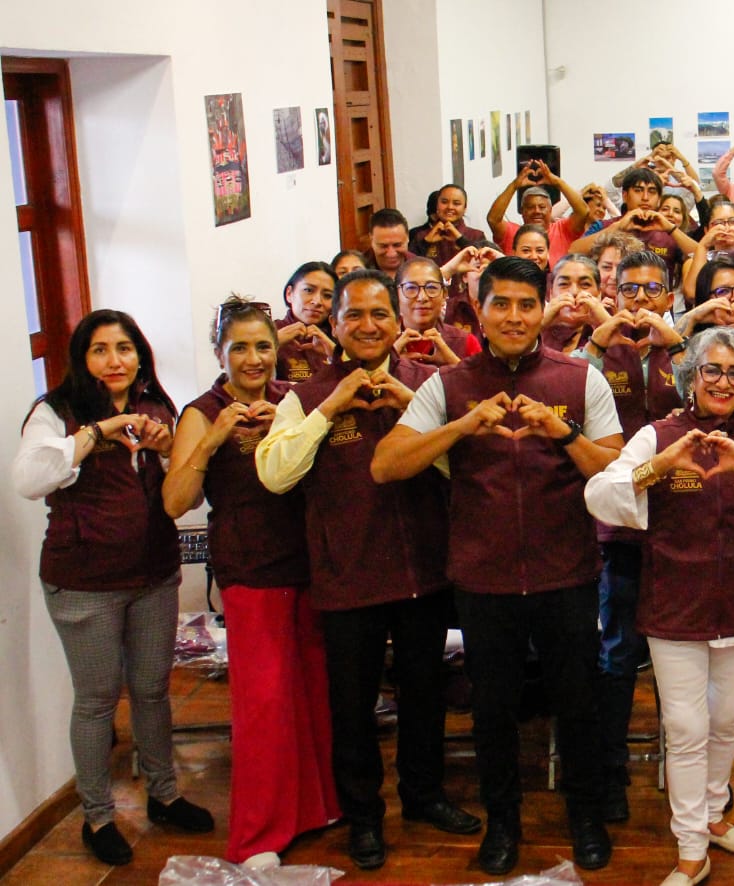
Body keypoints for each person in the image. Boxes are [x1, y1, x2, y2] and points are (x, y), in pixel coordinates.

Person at [370, 256, 626, 875]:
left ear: (543, 310)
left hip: (566, 571)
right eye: (500, 304)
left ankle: (586, 816)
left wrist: (559, 433)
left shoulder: (578, 379)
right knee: (493, 709)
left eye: (525, 304)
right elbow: (386, 464)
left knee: (577, 702)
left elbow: (616, 473)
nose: (513, 316)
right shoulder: (449, 385)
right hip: (482, 578)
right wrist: (460, 426)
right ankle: (503, 822)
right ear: (478, 309)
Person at [256, 270, 480, 871]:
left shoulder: (430, 385)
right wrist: (329, 408)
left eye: (380, 313)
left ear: (398, 319)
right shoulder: (304, 397)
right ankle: (363, 817)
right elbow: (276, 474)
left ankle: (424, 795)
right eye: (354, 315)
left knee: (425, 694)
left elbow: (471, 471)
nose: (368, 325)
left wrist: (413, 408)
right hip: (346, 576)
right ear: (334, 325)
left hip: (424, 574)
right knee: (352, 707)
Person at [585, 326, 734, 886]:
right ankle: (690, 846)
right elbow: (601, 493)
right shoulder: (656, 434)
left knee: (729, 718)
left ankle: (713, 817)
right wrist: (659, 467)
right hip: (674, 604)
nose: (723, 381)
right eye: (711, 370)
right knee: (685, 725)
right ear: (690, 377)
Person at [13, 310, 215, 867]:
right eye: (99, 350)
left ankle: (164, 792)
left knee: (152, 689)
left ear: (140, 356)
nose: (114, 361)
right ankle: (98, 815)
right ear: (82, 360)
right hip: (84, 584)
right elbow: (30, 479)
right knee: (99, 698)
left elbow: (186, 493)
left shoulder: (156, 407)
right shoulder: (55, 413)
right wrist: (95, 432)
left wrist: (167, 446)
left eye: (124, 348)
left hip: (152, 574)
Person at [162, 298, 340, 869]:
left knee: (311, 696)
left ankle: (314, 809)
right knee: (262, 707)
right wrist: (213, 439)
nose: (254, 358)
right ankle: (258, 834)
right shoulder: (201, 411)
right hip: (250, 573)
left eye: (263, 345)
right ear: (220, 352)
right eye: (239, 346)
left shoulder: (293, 398)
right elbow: (174, 502)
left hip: (308, 566)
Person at [582, 249, 688, 823]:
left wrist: (676, 342)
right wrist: (599, 341)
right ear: (614, 294)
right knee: (618, 654)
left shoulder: (686, 348)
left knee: (686, 651)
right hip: (619, 527)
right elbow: (567, 391)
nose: (641, 302)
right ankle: (611, 770)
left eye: (653, 290)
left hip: (683, 526)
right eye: (630, 291)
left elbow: (723, 395)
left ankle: (690, 772)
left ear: (670, 297)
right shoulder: (597, 349)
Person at [394, 257, 483, 366]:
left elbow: (481, 383)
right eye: (411, 288)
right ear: (396, 295)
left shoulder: (464, 342)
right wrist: (391, 359)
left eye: (431, 287)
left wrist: (455, 364)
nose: (422, 297)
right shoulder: (383, 341)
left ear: (444, 294)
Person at [276, 261, 337, 382]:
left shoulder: (340, 336)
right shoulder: (269, 332)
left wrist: (334, 354)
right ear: (289, 294)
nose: (317, 301)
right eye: (308, 290)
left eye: (327, 295)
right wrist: (271, 344)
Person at [409, 184, 485, 265]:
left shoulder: (476, 235)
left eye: (456, 203)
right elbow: (409, 265)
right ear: (437, 205)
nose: (450, 207)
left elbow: (482, 263)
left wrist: (460, 240)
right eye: (444, 202)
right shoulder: (422, 236)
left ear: (465, 208)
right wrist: (425, 243)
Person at [364, 208, 415, 278]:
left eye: (397, 245)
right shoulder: (358, 269)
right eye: (383, 246)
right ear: (371, 240)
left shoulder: (423, 270)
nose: (391, 254)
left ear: (407, 238)